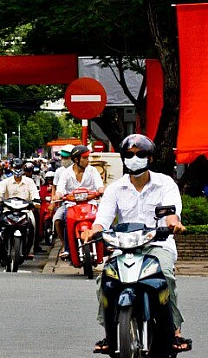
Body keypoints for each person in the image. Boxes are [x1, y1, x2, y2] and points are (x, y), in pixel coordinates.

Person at [81, 134, 190, 355]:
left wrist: (173, 224)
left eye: (140, 154)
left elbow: (171, 213)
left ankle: (175, 331)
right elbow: (102, 221)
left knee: (166, 275)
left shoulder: (165, 183)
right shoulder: (115, 188)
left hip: (158, 245)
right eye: (129, 155)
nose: (135, 158)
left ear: (149, 158)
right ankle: (110, 333)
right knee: (104, 279)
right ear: (123, 158)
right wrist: (92, 231)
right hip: (124, 246)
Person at [52, 145, 104, 260]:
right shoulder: (66, 173)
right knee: (59, 219)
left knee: (103, 217)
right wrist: (58, 195)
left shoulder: (92, 170)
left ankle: (107, 244)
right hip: (71, 205)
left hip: (91, 203)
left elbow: (99, 185)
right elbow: (60, 189)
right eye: (85, 158)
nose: (87, 160)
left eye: (87, 157)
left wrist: (101, 190)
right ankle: (67, 247)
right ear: (76, 159)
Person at [0, 166, 39, 254]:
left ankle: (30, 250)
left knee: (33, 224)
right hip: (8, 210)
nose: (18, 171)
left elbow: (34, 193)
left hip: (25, 210)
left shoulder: (29, 182)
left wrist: (36, 201)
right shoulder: (5, 182)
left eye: (20, 167)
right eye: (16, 168)